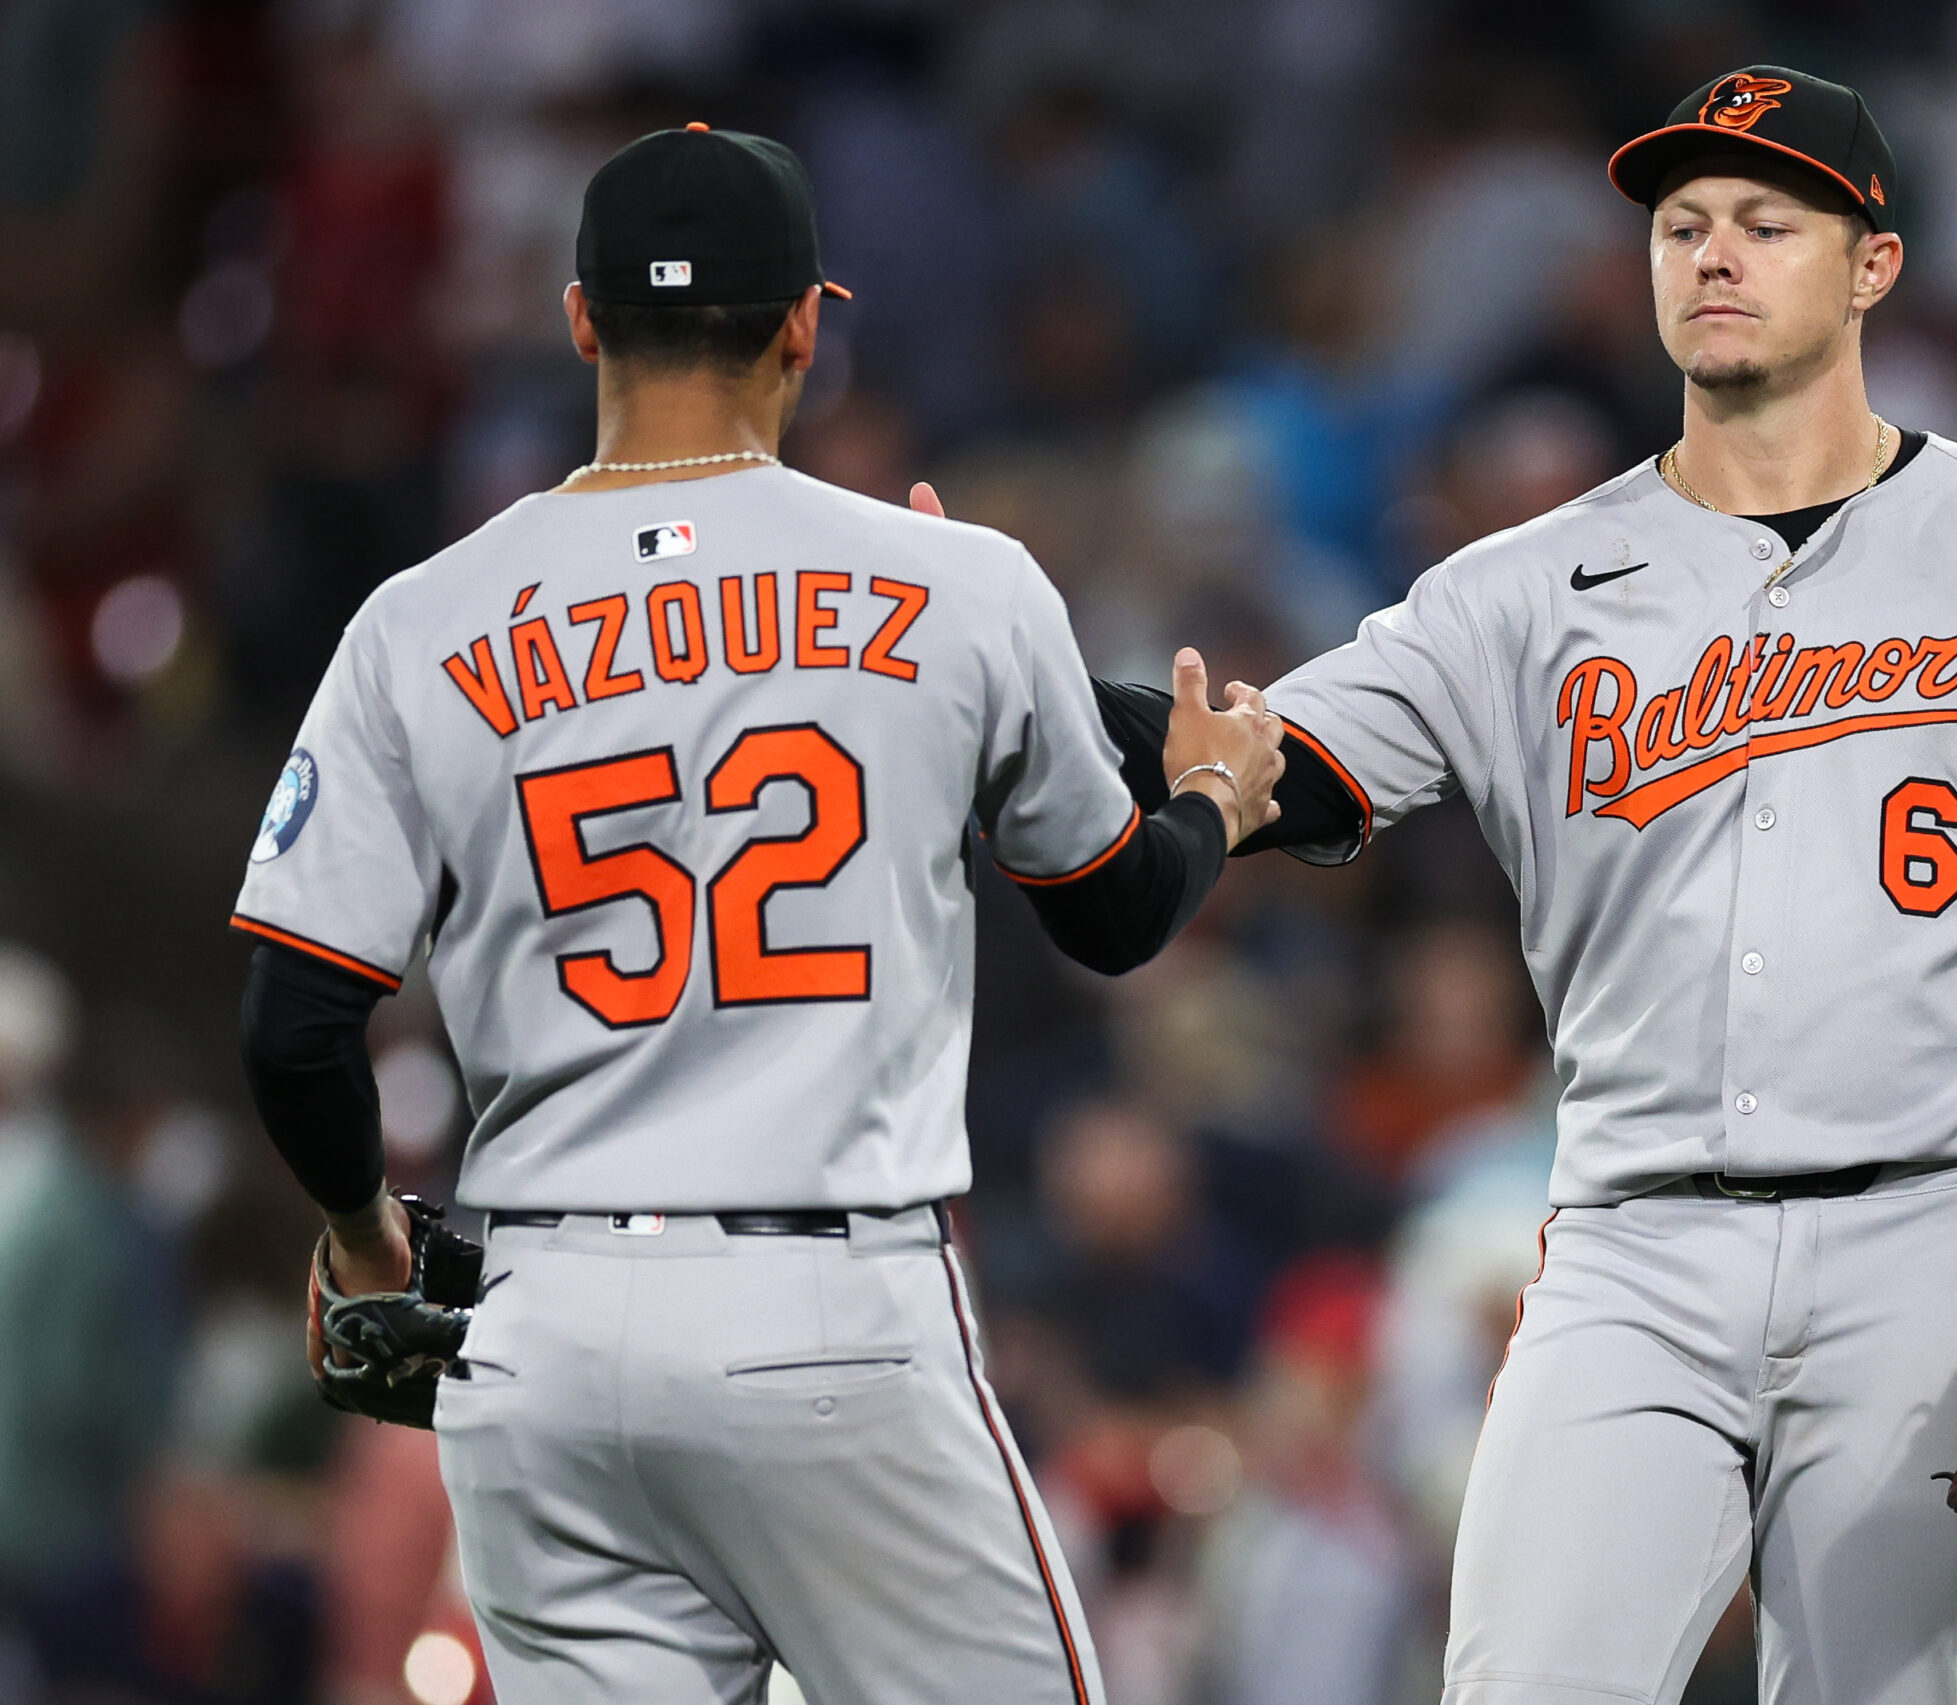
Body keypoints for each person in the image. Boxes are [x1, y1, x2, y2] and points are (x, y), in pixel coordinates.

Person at [982, 65, 1957, 1703]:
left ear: (1874, 264)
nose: (1712, 255)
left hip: (1928, 1245)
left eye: (1764, 221)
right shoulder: (1523, 589)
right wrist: (1001, 668)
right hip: (1633, 1247)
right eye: (1680, 224)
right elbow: (1256, 753)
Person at [229, 124, 1282, 1705]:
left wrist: (370, 1240)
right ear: (805, 324)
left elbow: (295, 1024)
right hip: (830, 1311)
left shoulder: (419, 620)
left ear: (580, 320)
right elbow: (1118, 913)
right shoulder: (957, 581)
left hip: (540, 1333)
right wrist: (1211, 800)